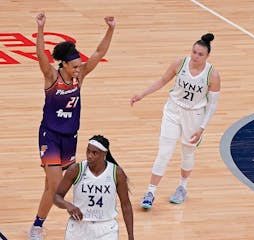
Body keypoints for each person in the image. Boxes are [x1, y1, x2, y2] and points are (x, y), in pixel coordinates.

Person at [29, 13, 115, 240]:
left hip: (70, 138)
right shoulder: (51, 77)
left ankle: (37, 224)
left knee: (50, 187)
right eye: (75, 66)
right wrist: (41, 27)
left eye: (79, 66)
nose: (78, 69)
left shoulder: (80, 76)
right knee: (57, 186)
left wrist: (111, 29)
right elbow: (40, 55)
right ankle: (72, 217)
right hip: (50, 136)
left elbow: (99, 53)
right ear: (64, 64)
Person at [130, 33, 221, 209]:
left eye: (200, 54)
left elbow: (212, 106)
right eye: (194, 52)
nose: (195, 56)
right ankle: (150, 192)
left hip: (194, 117)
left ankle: (182, 188)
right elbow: (162, 80)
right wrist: (142, 94)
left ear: (207, 56)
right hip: (173, 111)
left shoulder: (213, 75)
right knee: (164, 152)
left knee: (187, 153)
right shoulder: (180, 63)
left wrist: (202, 128)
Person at [54, 135, 134, 240]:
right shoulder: (76, 169)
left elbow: (126, 204)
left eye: (94, 153)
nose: (89, 156)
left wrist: (130, 235)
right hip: (79, 226)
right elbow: (56, 196)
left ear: (104, 153)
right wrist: (68, 205)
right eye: (88, 151)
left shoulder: (116, 173)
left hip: (106, 228)